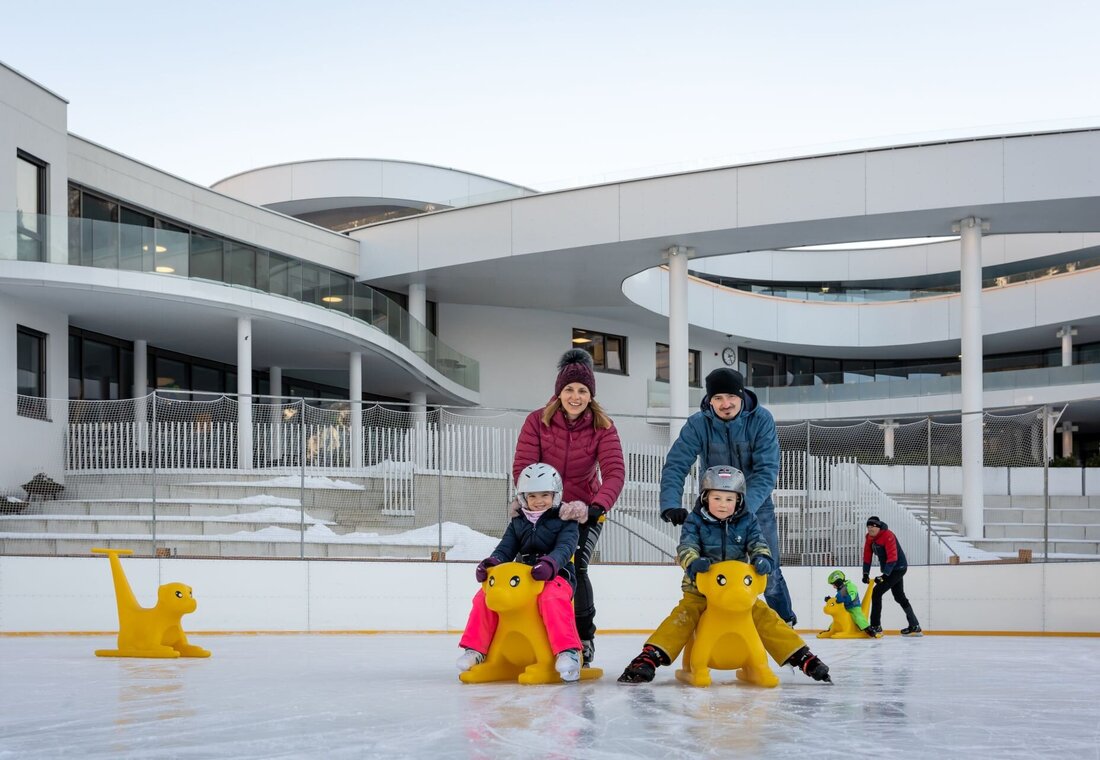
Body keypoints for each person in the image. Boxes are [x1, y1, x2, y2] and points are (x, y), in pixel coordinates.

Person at [618, 466, 830, 683]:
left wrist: (762, 558)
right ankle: (650, 657)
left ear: (738, 501)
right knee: (684, 616)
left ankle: (802, 655)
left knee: (765, 616)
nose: (722, 504)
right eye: (716, 497)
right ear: (705, 497)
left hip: (737, 591)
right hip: (700, 590)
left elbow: (758, 542)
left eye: (729, 499)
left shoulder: (748, 520)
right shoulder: (695, 520)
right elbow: (686, 547)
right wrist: (693, 562)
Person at [512, 349, 625, 668]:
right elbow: (523, 465)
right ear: (559, 392)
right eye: (569, 390)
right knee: (530, 567)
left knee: (577, 568)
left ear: (591, 395)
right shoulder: (537, 420)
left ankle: (583, 639)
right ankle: (527, 634)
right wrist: (534, 502)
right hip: (543, 508)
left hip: (583, 510)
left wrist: (597, 507)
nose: (575, 396)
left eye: (583, 391)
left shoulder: (603, 426)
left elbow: (615, 471)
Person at [658, 367, 796, 626]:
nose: (725, 404)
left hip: (756, 506)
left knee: (768, 569)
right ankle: (712, 625)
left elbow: (767, 469)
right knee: (710, 570)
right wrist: (671, 504)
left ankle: (785, 624)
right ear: (709, 400)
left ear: (741, 396)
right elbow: (676, 463)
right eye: (718, 398)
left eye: (731, 397)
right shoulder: (699, 423)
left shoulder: (761, 420)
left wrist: (746, 507)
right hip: (713, 508)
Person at [456, 463, 585, 682]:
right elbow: (506, 548)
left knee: (551, 596)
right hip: (524, 577)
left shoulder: (566, 520)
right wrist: (491, 564)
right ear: (523, 497)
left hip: (558, 575)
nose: (539, 501)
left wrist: (550, 564)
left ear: (556, 494)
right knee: (485, 597)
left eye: (545, 494)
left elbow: (566, 548)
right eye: (532, 495)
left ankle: (568, 651)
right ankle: (476, 650)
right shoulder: (518, 522)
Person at [862, 516, 922, 637]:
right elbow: (867, 555)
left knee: (877, 591)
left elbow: (893, 557)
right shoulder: (869, 537)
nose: (870, 529)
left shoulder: (888, 535)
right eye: (868, 527)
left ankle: (876, 625)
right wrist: (865, 573)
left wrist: (884, 575)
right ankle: (915, 626)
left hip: (898, 568)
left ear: (878, 527)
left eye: (872, 526)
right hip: (888, 570)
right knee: (899, 597)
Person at [825, 569, 874, 635]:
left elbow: (853, 594)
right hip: (845, 608)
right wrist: (830, 600)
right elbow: (837, 600)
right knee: (837, 619)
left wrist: (846, 599)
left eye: (834, 584)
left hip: (853, 607)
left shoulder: (850, 586)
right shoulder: (840, 590)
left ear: (838, 582)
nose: (833, 586)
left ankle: (867, 628)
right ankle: (830, 630)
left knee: (857, 617)